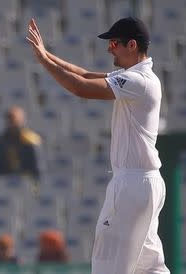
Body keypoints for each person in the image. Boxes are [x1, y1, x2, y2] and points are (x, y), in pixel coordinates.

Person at [27, 17, 170, 273]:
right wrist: (47, 55)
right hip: (144, 183)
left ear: (132, 45)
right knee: (149, 267)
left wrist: (43, 62)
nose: (109, 48)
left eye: (114, 43)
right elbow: (83, 73)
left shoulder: (139, 81)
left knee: (107, 263)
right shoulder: (135, 77)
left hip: (132, 184)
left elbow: (81, 87)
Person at [0, 105, 41, 180]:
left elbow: (37, 166)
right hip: (7, 179)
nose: (11, 123)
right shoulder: (2, 140)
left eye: (13, 119)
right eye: (9, 119)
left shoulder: (30, 139)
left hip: (27, 180)